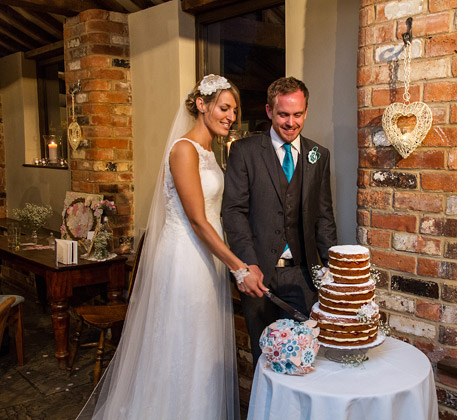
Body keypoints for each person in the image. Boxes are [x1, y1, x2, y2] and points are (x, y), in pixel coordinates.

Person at [78, 75, 260, 420]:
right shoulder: (183, 150)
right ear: (202, 105)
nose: (231, 116)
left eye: (234, 110)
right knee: (181, 345)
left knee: (201, 349)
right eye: (224, 108)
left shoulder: (208, 151)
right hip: (184, 260)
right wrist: (239, 267)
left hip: (207, 260)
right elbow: (197, 220)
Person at [222, 76, 337, 364]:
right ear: (269, 111)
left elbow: (324, 217)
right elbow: (234, 211)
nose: (291, 122)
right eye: (283, 114)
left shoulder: (318, 156)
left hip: (303, 277)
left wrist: (332, 273)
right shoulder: (245, 152)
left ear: (306, 112)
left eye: (298, 114)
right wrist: (247, 265)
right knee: (265, 359)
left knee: (306, 359)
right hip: (259, 275)